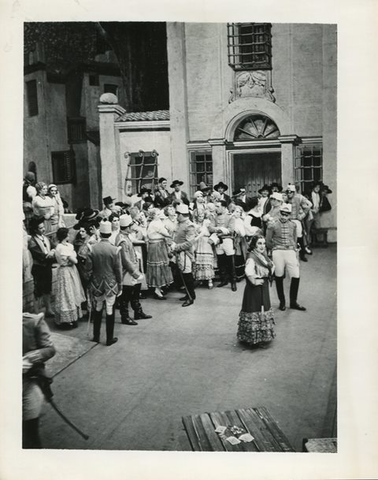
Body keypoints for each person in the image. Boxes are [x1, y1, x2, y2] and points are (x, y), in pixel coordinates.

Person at [86, 221, 123, 346]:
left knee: (98, 307)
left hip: (97, 283)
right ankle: (109, 338)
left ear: (100, 234)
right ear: (110, 233)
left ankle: (96, 336)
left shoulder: (92, 249)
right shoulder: (115, 250)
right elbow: (118, 270)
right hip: (111, 283)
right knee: (109, 309)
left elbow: (88, 268)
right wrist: (120, 284)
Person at [23, 312, 56, 448]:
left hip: (28, 385)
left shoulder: (31, 322)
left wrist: (34, 356)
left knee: (31, 435)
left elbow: (49, 349)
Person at [266, 203, 306, 311]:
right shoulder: (272, 225)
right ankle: (282, 302)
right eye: (282, 214)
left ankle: (293, 302)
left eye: (286, 215)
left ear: (289, 215)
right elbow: (268, 241)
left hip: (290, 251)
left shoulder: (293, 225)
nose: (284, 217)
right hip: (278, 252)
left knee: (296, 275)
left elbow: (294, 240)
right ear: (279, 213)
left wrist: (293, 250)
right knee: (279, 276)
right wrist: (275, 249)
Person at [237, 235, 275, 348]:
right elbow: (248, 272)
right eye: (259, 243)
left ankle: (261, 336)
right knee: (255, 309)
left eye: (263, 243)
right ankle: (253, 338)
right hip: (255, 290)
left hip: (263, 287)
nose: (262, 246)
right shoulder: (252, 257)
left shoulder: (262, 255)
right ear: (254, 244)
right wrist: (254, 281)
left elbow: (271, 266)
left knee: (263, 309)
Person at [117, 214, 152, 324]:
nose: (133, 226)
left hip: (132, 269)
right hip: (127, 271)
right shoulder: (121, 240)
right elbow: (125, 260)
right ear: (127, 226)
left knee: (136, 291)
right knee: (126, 295)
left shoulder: (126, 235)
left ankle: (138, 312)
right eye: (131, 225)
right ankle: (125, 316)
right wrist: (135, 272)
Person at [54, 227, 86, 328]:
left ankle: (73, 317)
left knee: (73, 292)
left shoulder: (68, 245)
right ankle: (66, 320)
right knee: (66, 293)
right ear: (65, 235)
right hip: (65, 271)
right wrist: (72, 254)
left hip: (71, 271)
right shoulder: (61, 247)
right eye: (67, 234)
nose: (69, 235)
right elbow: (75, 260)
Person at [28, 217, 56, 316]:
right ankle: (36, 312)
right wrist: (48, 256)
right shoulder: (32, 241)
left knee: (47, 288)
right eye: (40, 228)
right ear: (35, 230)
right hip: (38, 267)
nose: (43, 229)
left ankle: (48, 309)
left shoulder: (46, 238)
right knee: (38, 290)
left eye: (43, 227)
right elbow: (37, 254)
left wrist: (52, 251)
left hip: (47, 267)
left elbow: (54, 246)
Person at [208, 199, 237, 291]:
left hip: (227, 241)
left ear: (224, 207)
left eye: (218, 206)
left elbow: (231, 229)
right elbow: (211, 228)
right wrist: (221, 229)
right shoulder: (214, 217)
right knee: (221, 261)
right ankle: (224, 280)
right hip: (218, 241)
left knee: (230, 262)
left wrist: (218, 231)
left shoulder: (230, 217)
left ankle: (233, 281)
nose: (216, 208)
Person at [171, 203, 196, 306]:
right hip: (179, 253)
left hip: (185, 254)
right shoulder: (179, 224)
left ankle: (191, 297)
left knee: (187, 275)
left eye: (178, 214)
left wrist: (176, 247)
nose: (176, 216)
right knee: (183, 275)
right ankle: (188, 294)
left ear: (181, 214)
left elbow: (189, 243)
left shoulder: (189, 225)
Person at [146, 208, 173, 299]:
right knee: (158, 266)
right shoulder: (155, 224)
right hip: (156, 246)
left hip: (159, 245)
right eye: (157, 214)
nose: (159, 215)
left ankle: (159, 287)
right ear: (153, 216)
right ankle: (157, 289)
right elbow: (166, 233)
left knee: (161, 266)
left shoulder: (158, 222)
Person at [285, 184, 312, 262]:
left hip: (296, 220)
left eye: (291, 192)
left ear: (294, 192)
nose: (289, 193)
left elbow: (310, 204)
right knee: (288, 238)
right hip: (287, 220)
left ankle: (302, 254)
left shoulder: (299, 197)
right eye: (288, 192)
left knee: (299, 237)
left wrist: (303, 214)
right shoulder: (285, 198)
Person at [192, 209, 215, 289]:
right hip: (198, 242)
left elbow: (212, 230)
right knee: (197, 261)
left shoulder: (207, 222)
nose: (201, 218)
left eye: (202, 216)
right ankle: (200, 279)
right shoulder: (194, 223)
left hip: (205, 242)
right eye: (199, 216)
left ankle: (209, 280)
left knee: (207, 261)